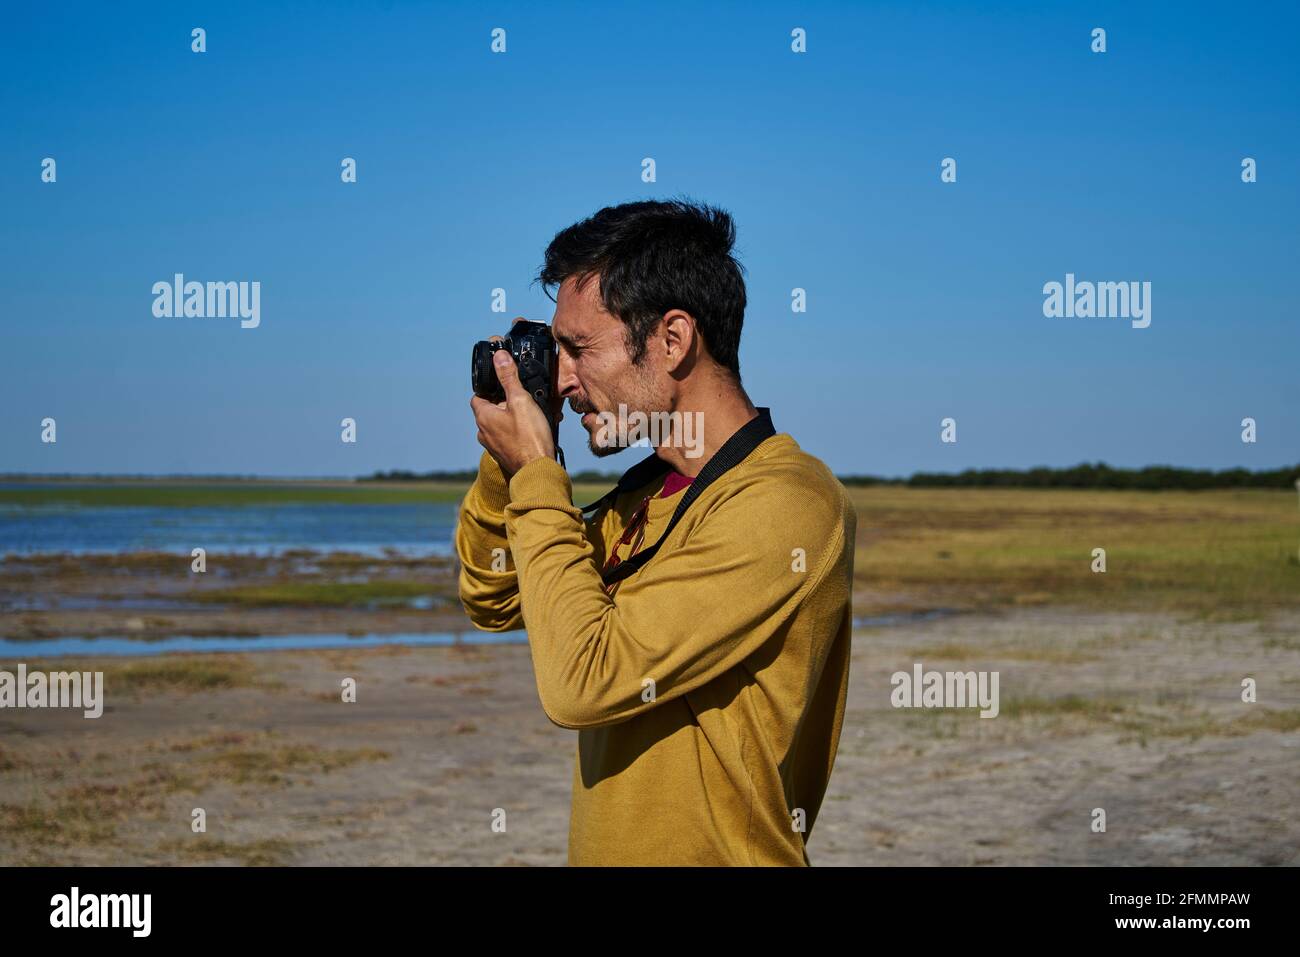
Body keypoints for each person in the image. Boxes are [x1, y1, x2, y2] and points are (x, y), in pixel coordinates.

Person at [456, 198, 856, 865]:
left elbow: (583, 681)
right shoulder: (640, 499)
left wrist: (536, 471)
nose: (564, 380)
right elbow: (495, 597)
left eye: (578, 349)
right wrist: (510, 462)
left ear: (672, 340)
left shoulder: (784, 503)